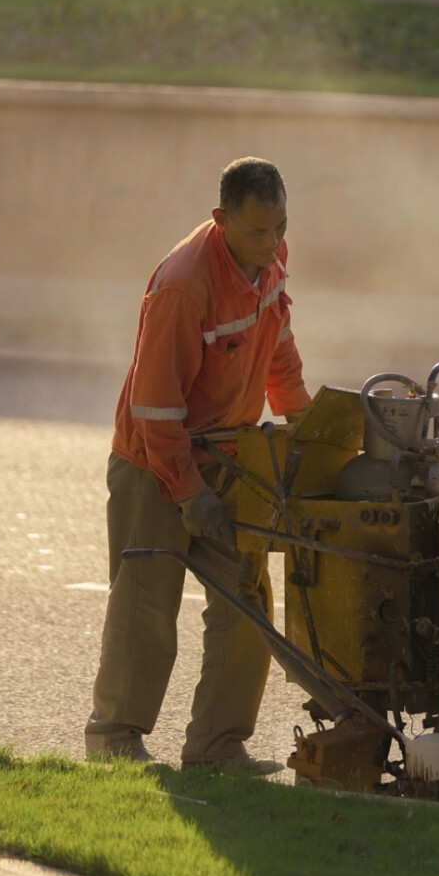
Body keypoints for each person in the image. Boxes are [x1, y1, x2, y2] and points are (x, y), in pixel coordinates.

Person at [84, 157, 312, 768]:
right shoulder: (185, 285)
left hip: (226, 455)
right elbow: (156, 408)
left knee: (247, 602)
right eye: (258, 232)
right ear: (222, 219)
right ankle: (114, 740)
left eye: (280, 228)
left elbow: (279, 351)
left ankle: (217, 745)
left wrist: (306, 428)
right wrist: (189, 494)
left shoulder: (269, 260)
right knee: (147, 604)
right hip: (153, 465)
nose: (272, 244)